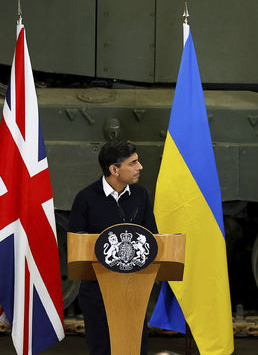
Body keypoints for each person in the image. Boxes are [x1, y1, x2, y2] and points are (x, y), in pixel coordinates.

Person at [69, 140, 158, 355]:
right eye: (133, 163)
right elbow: (76, 247)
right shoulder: (86, 199)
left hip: (134, 288)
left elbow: (152, 237)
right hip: (97, 292)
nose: (140, 167)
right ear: (114, 170)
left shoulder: (141, 195)